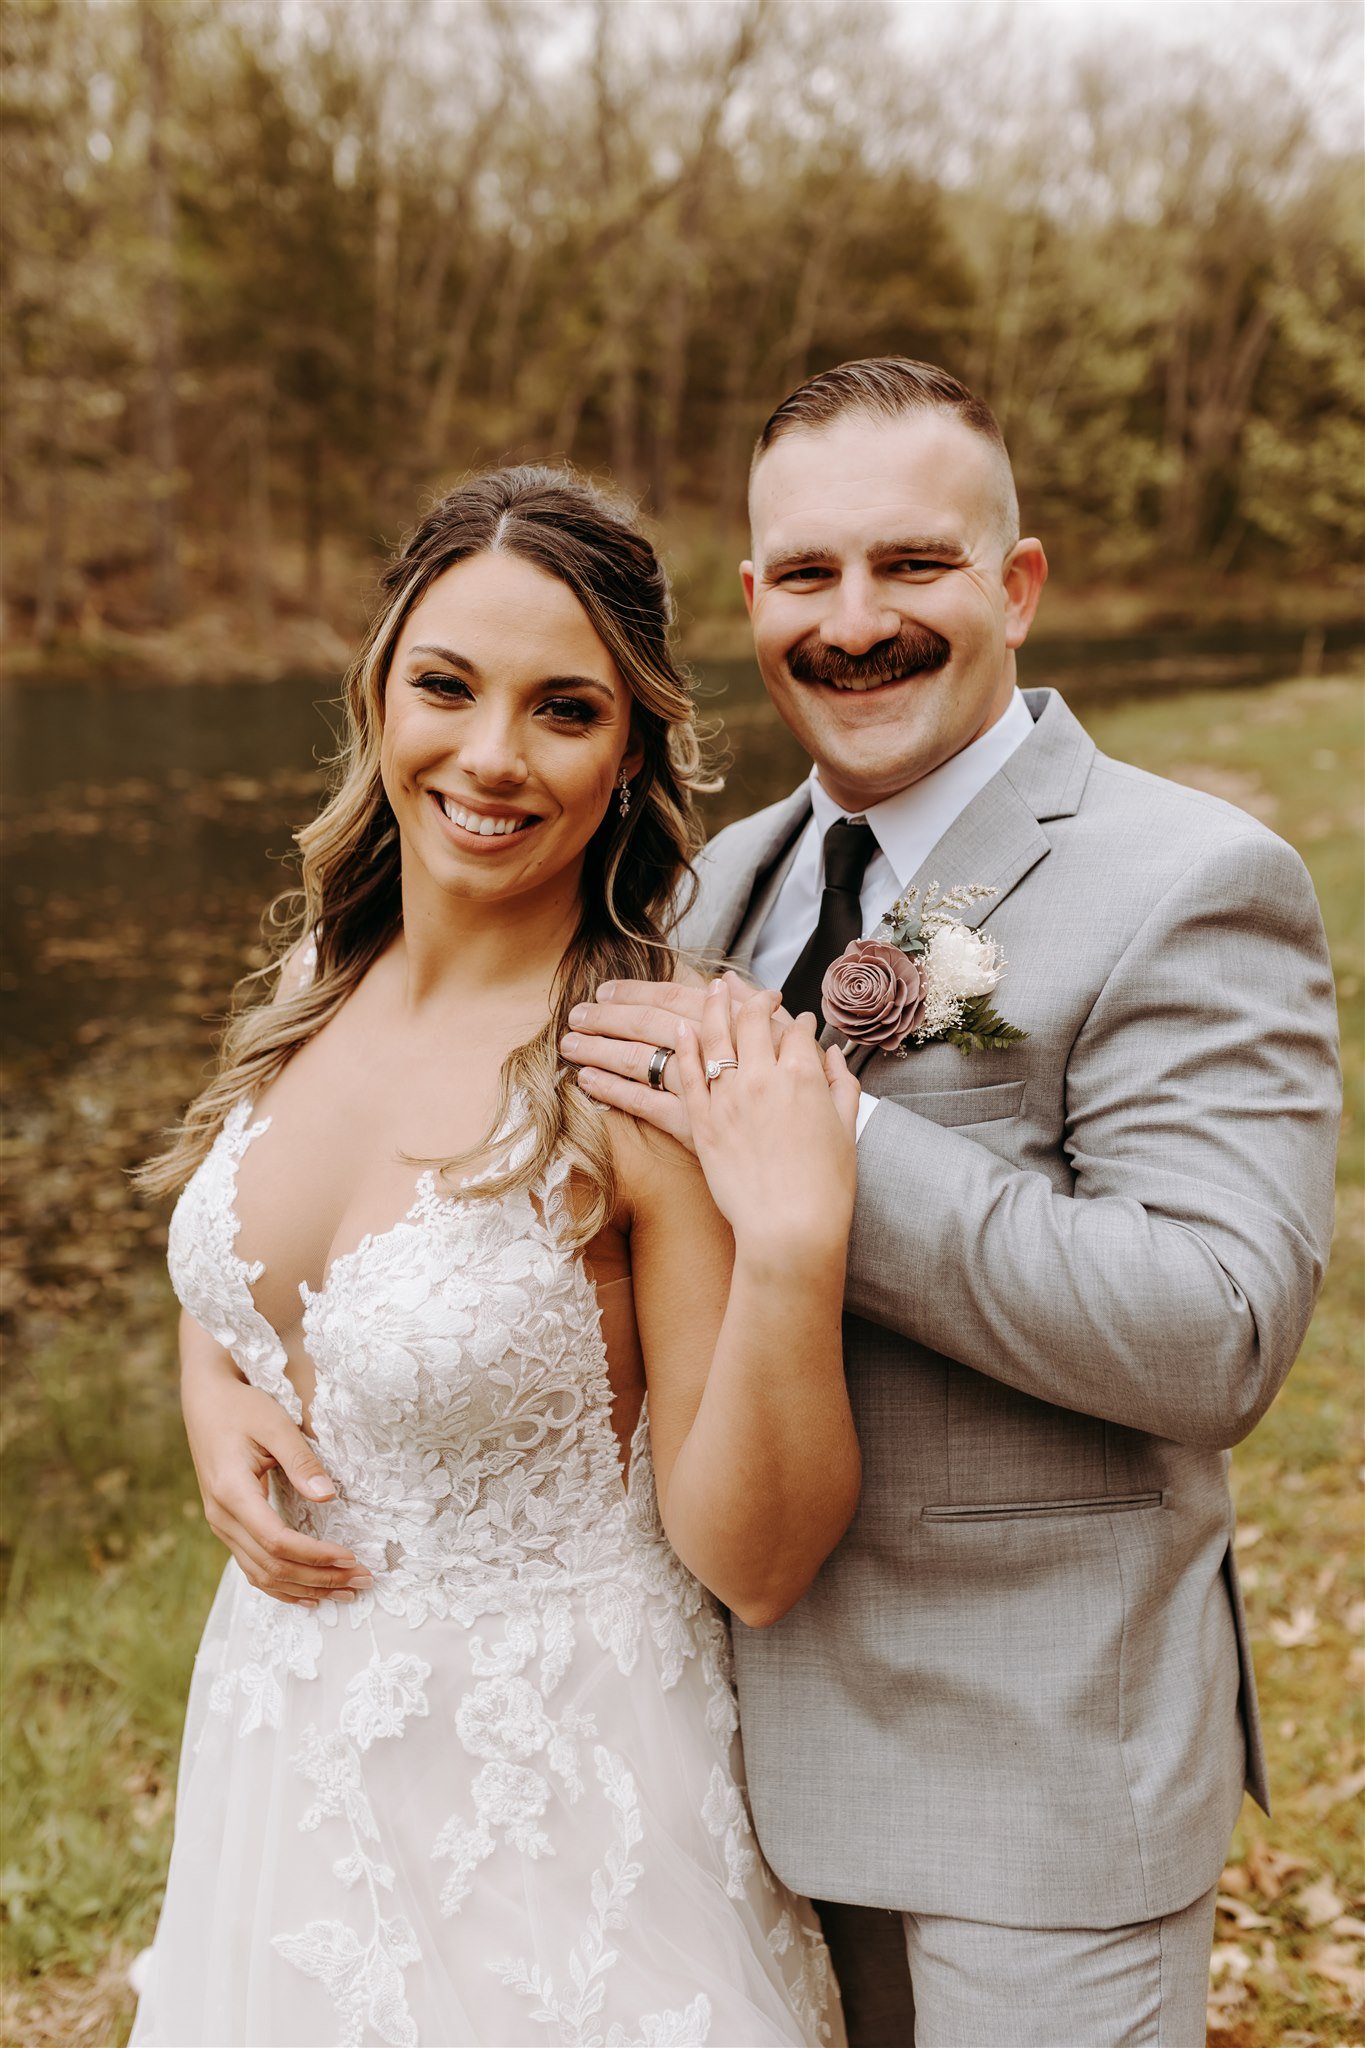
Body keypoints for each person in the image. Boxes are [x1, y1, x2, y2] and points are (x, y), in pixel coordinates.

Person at [553, 360, 1341, 2044]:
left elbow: (1216, 1332)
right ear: (754, 602)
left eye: (911, 564)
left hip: (1031, 1786)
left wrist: (822, 1138)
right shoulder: (708, 891)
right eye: (808, 576)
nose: (856, 624)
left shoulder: (1189, 878)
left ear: (1016, 584)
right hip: (717, 1780)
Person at [131, 467, 856, 2047]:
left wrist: (795, 1246)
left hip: (549, 1831)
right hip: (282, 1769)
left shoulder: (639, 1062)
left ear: (633, 750)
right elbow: (262, 1268)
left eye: (563, 710)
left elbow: (756, 1563)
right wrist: (214, 1389)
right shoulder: (322, 971)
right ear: (377, 691)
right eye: (446, 686)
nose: (490, 757)